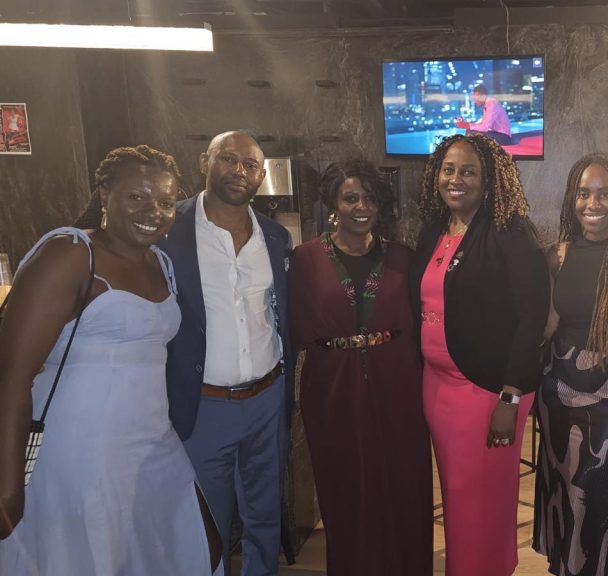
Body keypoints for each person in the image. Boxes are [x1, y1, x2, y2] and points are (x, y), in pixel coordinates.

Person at [0, 146, 221, 574]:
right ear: (105, 194)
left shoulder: (160, 263)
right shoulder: (70, 253)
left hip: (152, 444)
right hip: (79, 451)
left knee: (194, 548)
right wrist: (8, 485)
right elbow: (12, 375)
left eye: (165, 203)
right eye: (137, 197)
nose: (153, 212)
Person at [410, 133, 549, 575]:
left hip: (487, 392)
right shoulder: (435, 231)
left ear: (489, 181)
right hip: (437, 388)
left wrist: (510, 398)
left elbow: (532, 320)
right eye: (449, 169)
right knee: (457, 499)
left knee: (482, 502)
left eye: (469, 171)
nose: (456, 179)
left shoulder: (510, 233)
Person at [288, 159, 432, 574]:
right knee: (345, 486)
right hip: (331, 390)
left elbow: (421, 323)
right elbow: (295, 327)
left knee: (403, 482)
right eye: (350, 198)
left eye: (369, 198)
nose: (361, 207)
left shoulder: (403, 258)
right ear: (333, 203)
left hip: (398, 385)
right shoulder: (305, 259)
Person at [161, 131, 295, 576]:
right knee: (205, 520)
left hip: (267, 398)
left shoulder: (275, 236)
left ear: (261, 174)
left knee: (265, 516)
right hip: (203, 405)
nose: (240, 171)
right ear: (205, 161)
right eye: (229, 159)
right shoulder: (170, 229)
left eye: (251, 164)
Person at [533, 154, 608, 576]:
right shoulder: (558, 255)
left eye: (604, 194)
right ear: (572, 198)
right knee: (568, 494)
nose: (592, 204)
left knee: (604, 497)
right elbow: (549, 325)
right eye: (583, 194)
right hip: (560, 392)